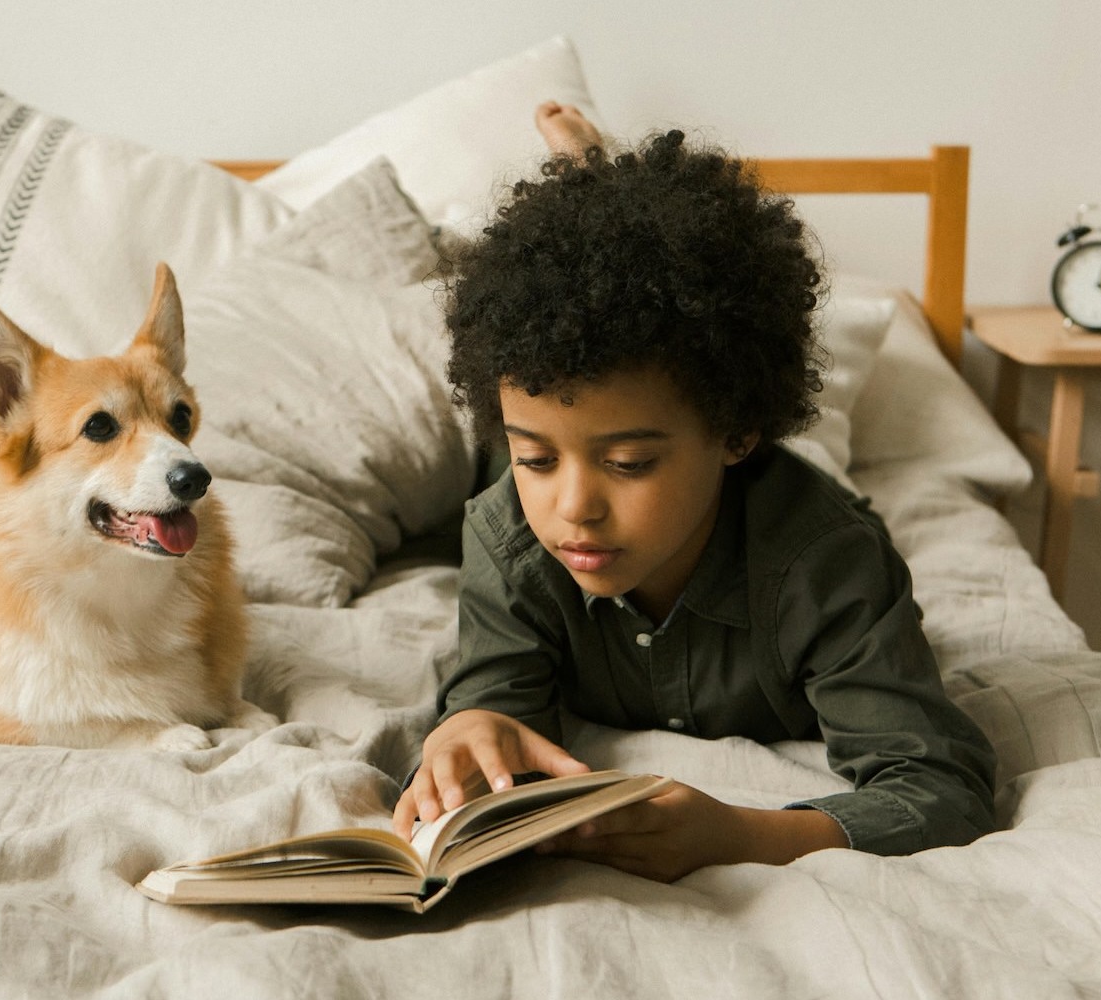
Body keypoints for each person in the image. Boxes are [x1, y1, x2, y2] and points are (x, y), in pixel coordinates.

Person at [390, 106, 997, 882]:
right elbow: (495, 688)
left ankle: (596, 181)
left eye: (631, 463)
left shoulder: (828, 566)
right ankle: (591, 184)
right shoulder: (511, 529)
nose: (575, 507)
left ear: (736, 430)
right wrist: (473, 725)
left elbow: (941, 789)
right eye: (536, 457)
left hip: (777, 502)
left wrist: (742, 835)